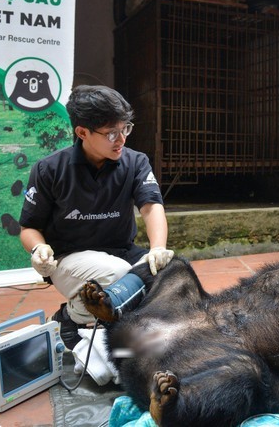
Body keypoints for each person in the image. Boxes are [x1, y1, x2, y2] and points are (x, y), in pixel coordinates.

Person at [18, 85, 173, 349]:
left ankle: (126, 338)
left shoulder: (135, 162)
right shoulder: (50, 169)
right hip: (70, 258)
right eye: (111, 133)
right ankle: (72, 316)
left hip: (121, 250)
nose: (121, 139)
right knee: (120, 276)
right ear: (82, 132)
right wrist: (38, 248)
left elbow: (151, 206)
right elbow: (29, 227)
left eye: (125, 128)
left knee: (173, 274)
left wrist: (158, 248)